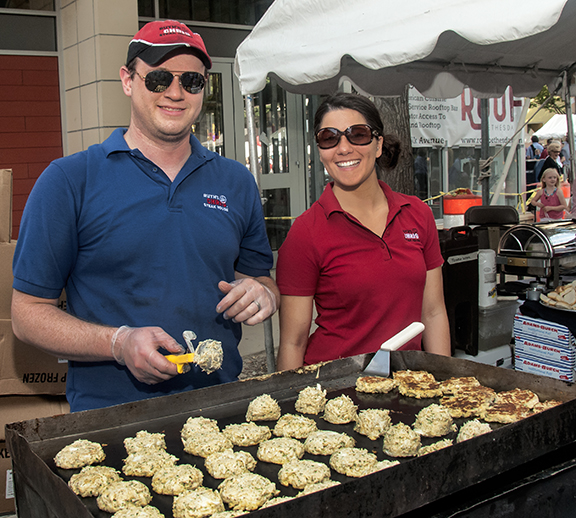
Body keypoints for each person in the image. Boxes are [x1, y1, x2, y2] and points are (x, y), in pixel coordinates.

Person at [11, 20, 279, 412]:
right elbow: (27, 314)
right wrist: (118, 343)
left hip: (220, 408)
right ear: (127, 80)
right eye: (157, 79)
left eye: (191, 81)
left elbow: (261, 280)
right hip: (111, 419)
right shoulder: (69, 180)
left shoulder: (235, 180)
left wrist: (262, 295)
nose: (175, 92)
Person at [275, 92, 451, 370]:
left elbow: (433, 312)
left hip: (408, 381)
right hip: (336, 391)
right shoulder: (305, 232)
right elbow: (292, 343)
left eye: (357, 134)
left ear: (378, 144)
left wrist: (446, 382)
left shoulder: (418, 214)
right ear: (320, 151)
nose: (343, 148)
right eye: (329, 137)